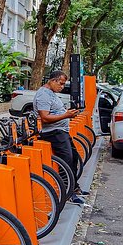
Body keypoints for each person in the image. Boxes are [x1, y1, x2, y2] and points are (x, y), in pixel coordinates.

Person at [33, 70, 88, 204]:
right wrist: (66, 115)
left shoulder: (51, 94)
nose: (62, 87)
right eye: (61, 84)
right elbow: (44, 117)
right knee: (66, 161)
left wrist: (68, 113)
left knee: (74, 158)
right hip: (53, 132)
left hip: (61, 131)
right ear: (53, 80)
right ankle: (68, 192)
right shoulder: (43, 95)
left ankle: (74, 188)